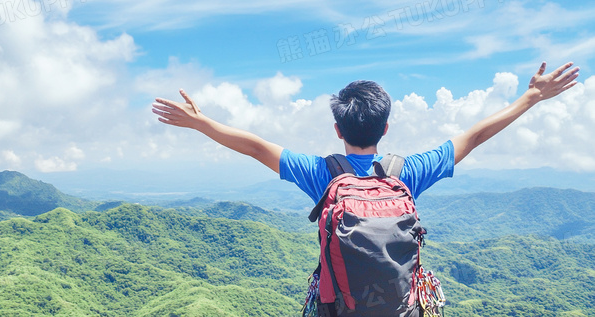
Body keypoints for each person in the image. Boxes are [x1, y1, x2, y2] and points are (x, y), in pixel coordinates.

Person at [152, 62, 580, 202]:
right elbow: (475, 136)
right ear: (387, 126)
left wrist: (200, 122)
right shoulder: (406, 173)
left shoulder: (321, 174)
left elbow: (252, 147)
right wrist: (531, 99)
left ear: (336, 128)